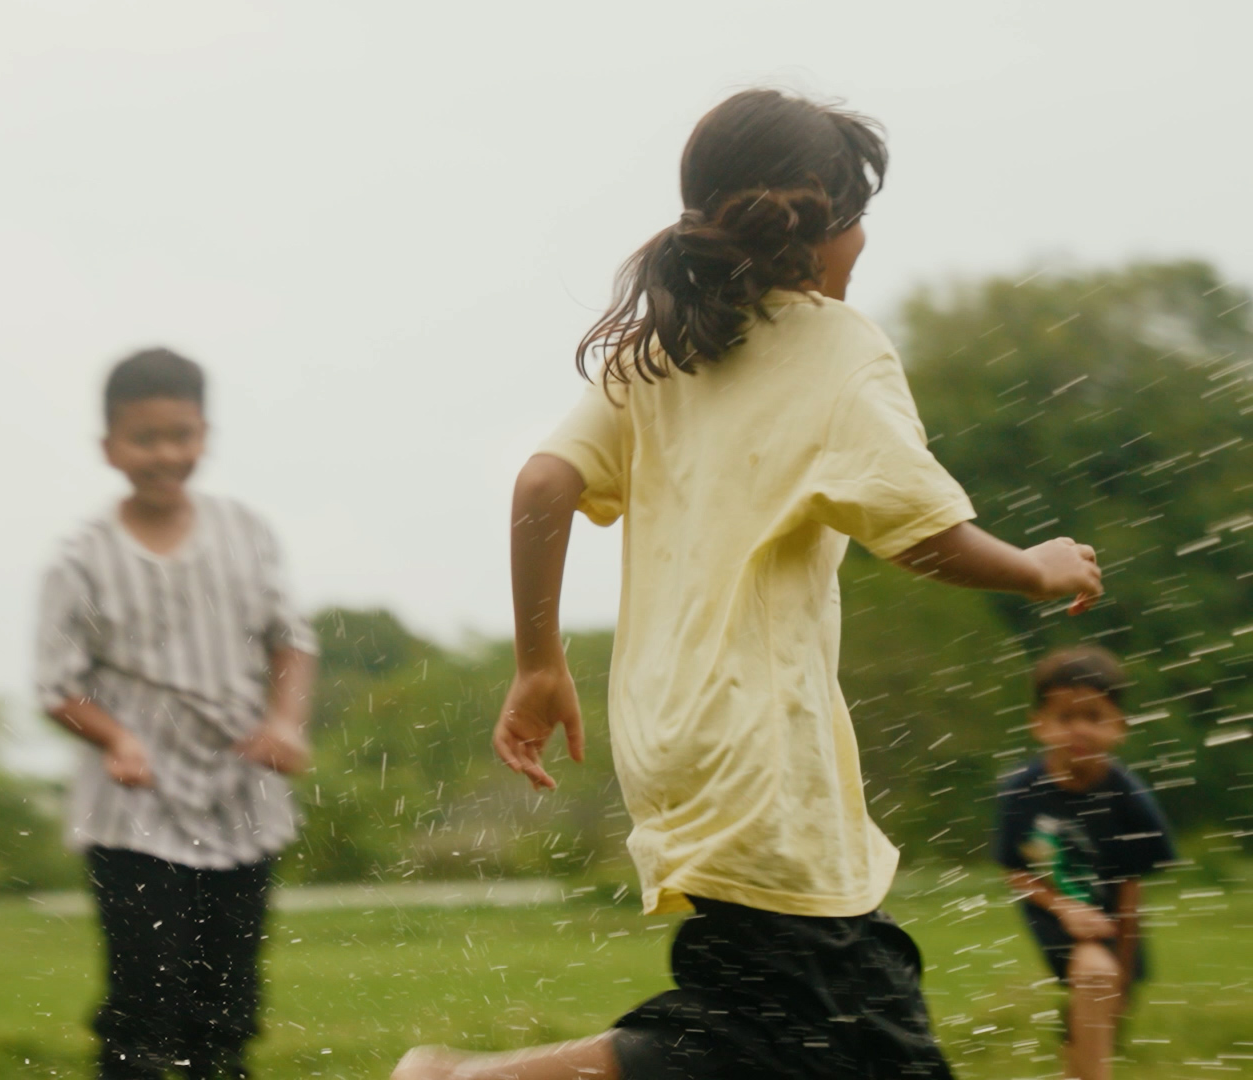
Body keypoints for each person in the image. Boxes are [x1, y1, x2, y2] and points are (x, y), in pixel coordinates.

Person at [392, 89, 1105, 1080]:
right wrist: (1037, 568)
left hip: (671, 738)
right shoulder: (835, 347)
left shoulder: (658, 354)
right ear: (819, 225)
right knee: (822, 1034)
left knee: (808, 1016)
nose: (865, 245)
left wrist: (538, 665)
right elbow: (925, 535)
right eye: (859, 219)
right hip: (763, 751)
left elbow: (544, 482)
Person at [36, 347, 318, 1080]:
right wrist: (116, 736)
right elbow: (56, 686)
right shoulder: (81, 558)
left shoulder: (244, 532)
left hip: (240, 797)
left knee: (226, 1004)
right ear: (110, 446)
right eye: (145, 438)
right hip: (136, 810)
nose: (165, 453)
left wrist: (286, 722)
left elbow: (291, 641)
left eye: (181, 435)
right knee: (144, 1003)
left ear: (204, 434)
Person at [997, 646, 1176, 1080]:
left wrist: (1126, 971)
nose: (1079, 729)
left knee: (1094, 1024)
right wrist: (1064, 908)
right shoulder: (1022, 792)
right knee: (1095, 979)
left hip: (1113, 925)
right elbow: (1016, 871)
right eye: (1064, 717)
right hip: (1055, 917)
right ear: (1038, 724)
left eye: (1094, 717)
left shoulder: (1128, 798)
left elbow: (1132, 890)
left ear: (1120, 727)